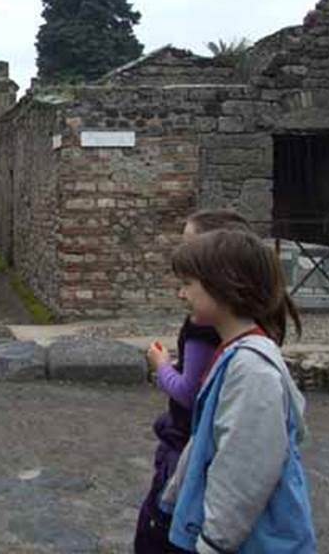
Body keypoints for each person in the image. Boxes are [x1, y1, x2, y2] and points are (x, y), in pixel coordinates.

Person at [160, 228, 315, 553]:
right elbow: (206, 439)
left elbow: (245, 472)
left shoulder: (251, 370)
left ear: (223, 288)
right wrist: (175, 496)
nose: (181, 295)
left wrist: (214, 542)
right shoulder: (233, 354)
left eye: (188, 284)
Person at [135, 210, 254, 553]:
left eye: (187, 280)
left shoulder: (206, 331)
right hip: (197, 446)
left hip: (188, 444)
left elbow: (189, 392)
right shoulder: (247, 330)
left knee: (157, 532)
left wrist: (161, 365)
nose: (180, 291)